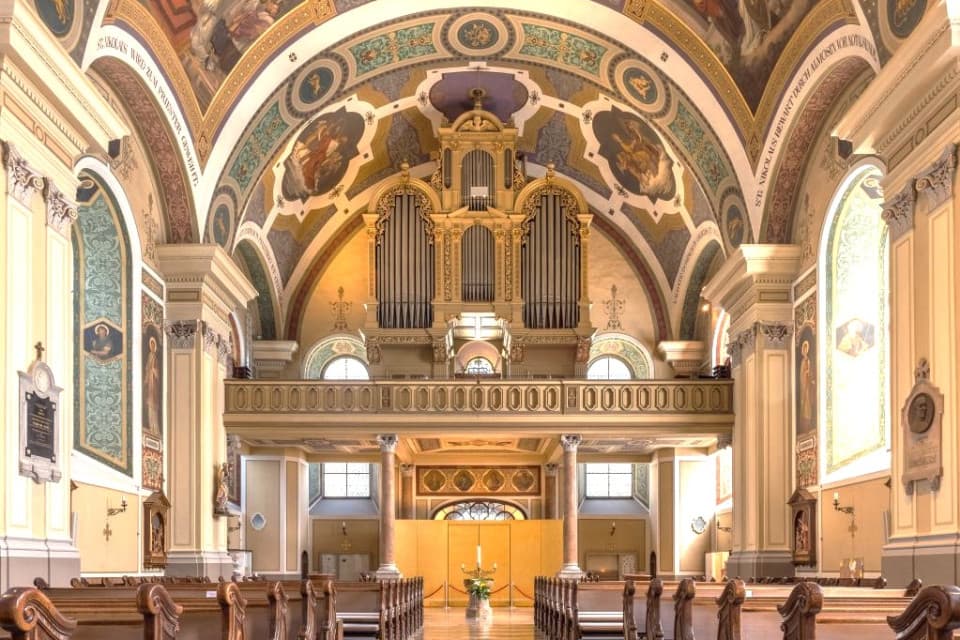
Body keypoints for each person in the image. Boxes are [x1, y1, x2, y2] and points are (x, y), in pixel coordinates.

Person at [144, 336, 160, 432]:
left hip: (154, 384)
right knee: (149, 403)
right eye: (151, 344)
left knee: (154, 404)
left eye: (154, 345)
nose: (152, 346)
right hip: (149, 382)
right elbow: (147, 368)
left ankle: (155, 426)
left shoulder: (156, 358)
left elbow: (157, 371)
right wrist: (147, 377)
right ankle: (151, 425)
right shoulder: (150, 356)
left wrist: (154, 371)